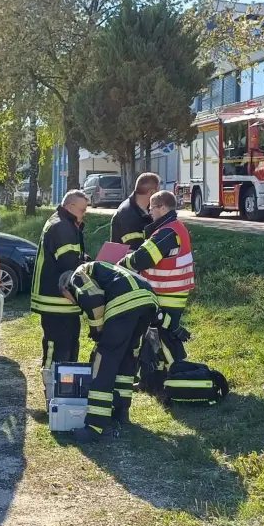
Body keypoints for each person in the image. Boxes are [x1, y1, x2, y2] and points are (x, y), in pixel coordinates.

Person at [59, 261, 158, 442]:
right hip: (148, 300)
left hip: (125, 303)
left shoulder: (77, 276)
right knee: (127, 356)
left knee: (103, 362)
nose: (72, 301)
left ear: (66, 288)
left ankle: (97, 427)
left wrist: (98, 334)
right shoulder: (101, 270)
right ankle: (122, 412)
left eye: (68, 297)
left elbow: (93, 300)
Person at [118, 190, 195, 369]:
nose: (149, 212)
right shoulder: (174, 228)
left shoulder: (167, 231)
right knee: (155, 337)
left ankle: (176, 375)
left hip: (166, 294)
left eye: (151, 208)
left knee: (165, 337)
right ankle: (153, 378)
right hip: (169, 292)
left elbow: (144, 258)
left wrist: (121, 262)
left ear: (162, 207)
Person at [30, 190, 89, 369]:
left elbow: (72, 257)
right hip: (55, 300)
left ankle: (66, 386)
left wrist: (88, 260)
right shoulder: (62, 226)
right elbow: (69, 262)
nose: (84, 214)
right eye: (82, 210)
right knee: (57, 347)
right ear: (70, 206)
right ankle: (51, 384)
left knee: (68, 345)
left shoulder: (64, 223)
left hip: (61, 300)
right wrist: (92, 267)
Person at [111, 172, 160, 249]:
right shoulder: (127, 215)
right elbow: (134, 251)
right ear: (152, 192)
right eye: (158, 192)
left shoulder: (146, 209)